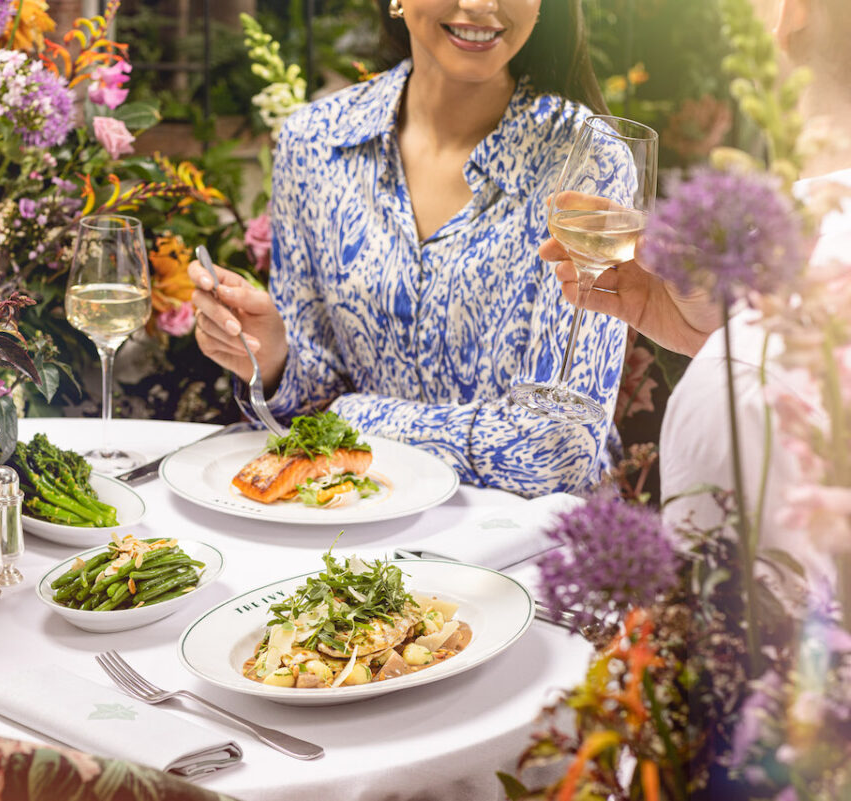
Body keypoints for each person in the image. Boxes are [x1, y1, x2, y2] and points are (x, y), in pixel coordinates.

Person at [189, 0, 630, 497]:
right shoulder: (313, 143)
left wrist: (349, 414)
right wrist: (274, 359)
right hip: (352, 526)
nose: (481, 5)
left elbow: (558, 448)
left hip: (529, 546)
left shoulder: (590, 161)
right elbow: (305, 412)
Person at [542, 0, 851, 578]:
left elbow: (743, 646)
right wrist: (717, 334)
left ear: (790, 14)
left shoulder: (741, 388)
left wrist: (733, 352)